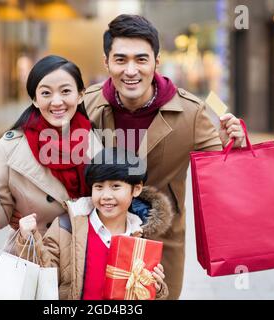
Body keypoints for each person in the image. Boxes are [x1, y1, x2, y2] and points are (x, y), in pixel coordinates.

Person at [82, 14, 246, 299]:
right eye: (120, 59)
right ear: (106, 62)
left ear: (156, 62)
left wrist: (235, 145)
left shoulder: (191, 113)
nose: (131, 70)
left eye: (141, 59)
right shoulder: (86, 105)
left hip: (161, 240)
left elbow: (225, 176)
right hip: (94, 236)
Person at [0, 55, 102, 234]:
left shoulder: (95, 137)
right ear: (35, 99)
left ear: (81, 95)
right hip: (35, 253)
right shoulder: (9, 147)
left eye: (66, 91)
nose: (57, 101)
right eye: (46, 93)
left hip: (86, 253)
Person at [16, 148, 176, 300]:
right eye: (98, 187)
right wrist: (27, 238)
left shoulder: (142, 236)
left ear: (136, 189)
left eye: (115, 186)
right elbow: (43, 276)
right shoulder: (67, 227)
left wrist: (157, 288)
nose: (106, 196)